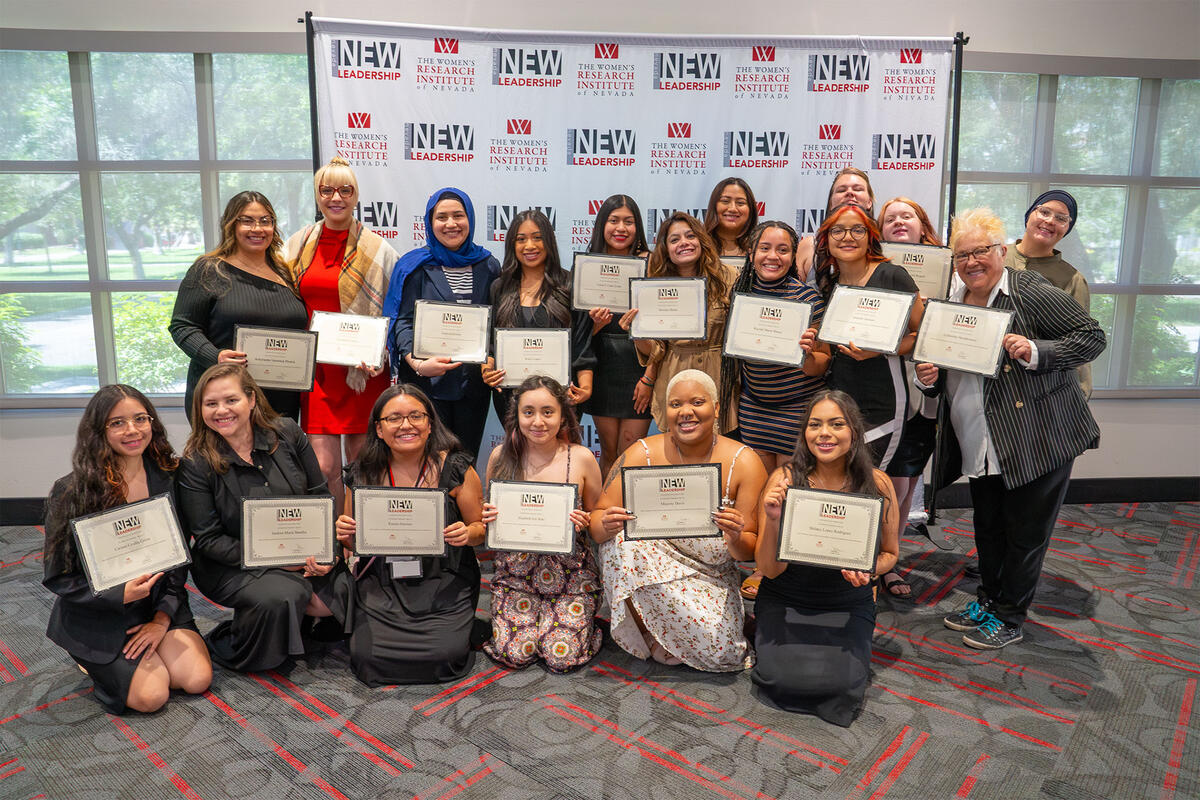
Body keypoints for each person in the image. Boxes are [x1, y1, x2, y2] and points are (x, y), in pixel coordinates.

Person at [915, 207, 1105, 650]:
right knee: (989, 527)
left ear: (1001, 250)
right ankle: (989, 599)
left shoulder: (1029, 290)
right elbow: (951, 370)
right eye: (962, 256)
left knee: (1025, 533)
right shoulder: (952, 301)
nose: (972, 262)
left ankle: (1010, 614)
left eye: (981, 252)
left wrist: (1035, 350)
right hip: (980, 438)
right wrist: (932, 378)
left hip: (1037, 437)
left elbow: (1091, 336)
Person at [42, 386, 211, 714]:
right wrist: (118, 594)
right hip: (100, 611)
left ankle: (154, 646)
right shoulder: (72, 491)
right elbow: (58, 577)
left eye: (140, 419)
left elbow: (179, 558)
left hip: (160, 602)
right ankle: (90, 661)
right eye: (117, 423)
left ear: (152, 423)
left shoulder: (170, 477)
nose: (132, 430)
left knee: (196, 679)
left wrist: (163, 619)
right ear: (98, 432)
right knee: (152, 698)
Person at [590, 370, 767, 671]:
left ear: (716, 408)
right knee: (619, 545)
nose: (686, 412)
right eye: (675, 404)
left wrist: (736, 537)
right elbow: (595, 526)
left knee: (721, 653)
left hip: (711, 575)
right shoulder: (641, 454)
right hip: (653, 569)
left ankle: (690, 632)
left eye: (697, 402)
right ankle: (650, 634)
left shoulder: (744, 462)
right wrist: (604, 523)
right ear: (664, 411)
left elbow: (750, 551)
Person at [176, 364, 339, 672]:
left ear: (251, 399)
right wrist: (277, 559)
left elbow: (320, 496)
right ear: (200, 409)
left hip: (300, 549)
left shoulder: (287, 432)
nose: (221, 410)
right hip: (229, 563)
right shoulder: (196, 463)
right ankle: (235, 643)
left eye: (231, 400)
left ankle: (287, 626)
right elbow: (209, 540)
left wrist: (327, 552)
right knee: (285, 595)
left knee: (340, 588)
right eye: (211, 404)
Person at [751, 389, 899, 727]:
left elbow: (890, 554)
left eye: (837, 424)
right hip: (787, 595)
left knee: (842, 685)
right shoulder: (785, 481)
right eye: (815, 425)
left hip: (848, 601)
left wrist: (868, 570)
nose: (825, 434)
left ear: (855, 432)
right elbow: (768, 570)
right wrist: (773, 518)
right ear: (804, 433)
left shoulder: (878, 484)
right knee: (779, 680)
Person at [334, 384, 485, 685]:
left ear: (430, 424)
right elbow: (353, 541)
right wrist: (344, 533)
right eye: (394, 418)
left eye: (416, 415)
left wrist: (467, 534)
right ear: (378, 429)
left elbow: (481, 529)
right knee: (368, 658)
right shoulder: (362, 472)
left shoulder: (455, 467)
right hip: (384, 579)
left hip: (444, 578)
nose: (406, 425)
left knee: (444, 655)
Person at [717, 220, 830, 600]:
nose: (773, 256)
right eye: (765, 248)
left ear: (793, 255)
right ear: (752, 252)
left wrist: (806, 353)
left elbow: (822, 364)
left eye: (783, 250)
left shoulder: (809, 299)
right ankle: (766, 566)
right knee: (763, 492)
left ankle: (786, 569)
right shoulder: (741, 295)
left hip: (796, 408)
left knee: (789, 490)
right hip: (755, 407)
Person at [282, 157, 398, 515]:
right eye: (327, 189)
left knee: (366, 467)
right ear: (317, 196)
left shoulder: (379, 250)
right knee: (325, 468)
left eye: (345, 190)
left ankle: (366, 547)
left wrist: (378, 352)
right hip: (317, 372)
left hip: (362, 371)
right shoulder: (297, 245)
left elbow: (392, 313)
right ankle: (334, 543)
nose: (336, 197)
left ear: (356, 195)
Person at [480, 376, 604, 672]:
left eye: (548, 412)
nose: (538, 421)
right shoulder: (500, 457)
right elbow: (488, 521)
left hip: (571, 575)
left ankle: (583, 623)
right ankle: (539, 621)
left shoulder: (582, 458)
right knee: (516, 653)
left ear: (563, 415)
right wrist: (488, 520)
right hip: (516, 575)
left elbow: (599, 518)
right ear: (516, 416)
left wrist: (586, 521)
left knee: (561, 656)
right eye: (529, 412)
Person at [802, 204, 923, 473]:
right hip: (839, 402)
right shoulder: (831, 287)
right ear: (826, 240)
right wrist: (807, 352)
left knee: (868, 485)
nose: (847, 237)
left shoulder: (892, 276)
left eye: (857, 230)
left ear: (870, 236)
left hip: (882, 403)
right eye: (838, 231)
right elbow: (824, 360)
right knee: (842, 486)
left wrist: (880, 350)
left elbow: (925, 334)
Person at [170, 191, 308, 420]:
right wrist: (216, 357)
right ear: (231, 225)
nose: (257, 228)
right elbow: (182, 326)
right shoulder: (209, 270)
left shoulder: (286, 272)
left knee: (278, 456)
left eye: (266, 221)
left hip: (281, 400)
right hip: (223, 398)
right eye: (247, 220)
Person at [388, 188, 502, 460]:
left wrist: (491, 357)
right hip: (426, 383)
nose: (451, 224)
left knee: (465, 460)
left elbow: (496, 322)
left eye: (458, 216)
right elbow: (403, 322)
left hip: (472, 385)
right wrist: (417, 363)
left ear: (470, 220)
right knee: (429, 462)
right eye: (442, 217)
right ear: (430, 223)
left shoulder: (489, 265)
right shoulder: (414, 266)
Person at [875, 196, 944, 598]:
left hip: (927, 394)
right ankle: (871, 558)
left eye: (908, 216)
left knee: (905, 485)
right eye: (890, 218)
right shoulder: (874, 272)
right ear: (880, 231)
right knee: (884, 486)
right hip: (883, 392)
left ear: (923, 226)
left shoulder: (946, 270)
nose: (899, 222)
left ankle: (890, 560)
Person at [620, 213, 739, 434]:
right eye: (674, 240)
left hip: (719, 374)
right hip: (673, 372)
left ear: (701, 241)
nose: (684, 243)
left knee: (719, 450)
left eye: (690, 236)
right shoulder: (654, 286)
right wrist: (638, 334)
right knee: (680, 450)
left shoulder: (728, 277)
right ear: (666, 249)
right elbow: (655, 350)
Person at [480, 209, 595, 418]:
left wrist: (585, 388)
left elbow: (582, 345)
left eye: (537, 238)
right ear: (512, 245)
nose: (529, 246)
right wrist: (487, 370)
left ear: (549, 242)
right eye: (521, 239)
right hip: (510, 400)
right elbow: (489, 346)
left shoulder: (570, 285)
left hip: (561, 398)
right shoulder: (499, 287)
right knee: (517, 450)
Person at [580, 195, 653, 476]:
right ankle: (603, 515)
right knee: (610, 451)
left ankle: (628, 515)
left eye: (628, 221)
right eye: (613, 220)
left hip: (639, 366)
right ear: (602, 225)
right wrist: (595, 326)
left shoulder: (652, 266)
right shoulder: (587, 268)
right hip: (602, 368)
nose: (621, 228)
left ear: (637, 228)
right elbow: (578, 334)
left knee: (631, 452)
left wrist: (650, 377)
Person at [1003, 190, 1092, 397]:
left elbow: (1080, 342)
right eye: (1044, 212)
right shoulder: (995, 256)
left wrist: (1080, 394)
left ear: (1066, 229)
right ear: (1029, 216)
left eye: (1061, 218)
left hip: (1039, 389)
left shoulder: (1072, 279)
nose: (1051, 221)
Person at [797, 167, 877, 281]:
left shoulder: (884, 246)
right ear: (831, 203)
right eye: (841, 190)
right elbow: (792, 294)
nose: (850, 193)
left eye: (858, 189)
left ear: (869, 202)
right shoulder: (809, 246)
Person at [703, 177, 758, 259]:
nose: (733, 209)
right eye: (725, 201)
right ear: (714, 206)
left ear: (751, 209)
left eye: (740, 203)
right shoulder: (700, 244)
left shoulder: (760, 245)